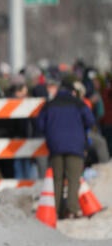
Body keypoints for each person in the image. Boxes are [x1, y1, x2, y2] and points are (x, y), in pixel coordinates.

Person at [36, 77, 96, 219]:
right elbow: (90, 121)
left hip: (55, 145)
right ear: (72, 92)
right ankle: (71, 209)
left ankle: (55, 210)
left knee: (57, 179)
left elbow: (39, 124)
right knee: (73, 178)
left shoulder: (49, 104)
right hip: (75, 145)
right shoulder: (79, 104)